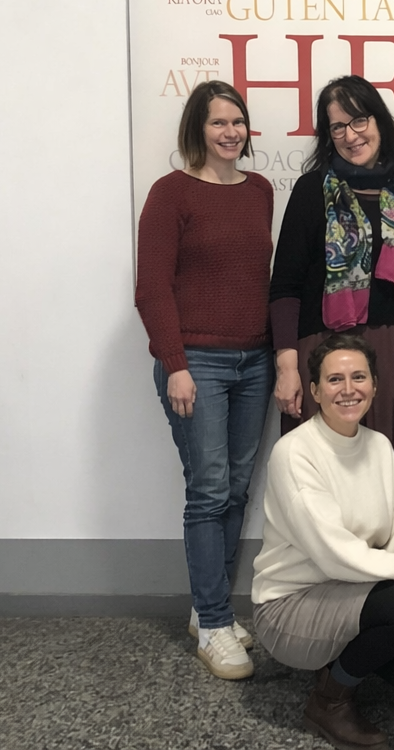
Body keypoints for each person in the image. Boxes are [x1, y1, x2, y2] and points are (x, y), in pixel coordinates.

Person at [252, 334, 394, 750]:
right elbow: (335, 556)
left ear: (374, 385)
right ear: (314, 390)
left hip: (359, 594)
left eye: (359, 377)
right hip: (291, 607)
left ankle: (341, 662)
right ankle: (329, 700)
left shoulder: (379, 447)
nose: (348, 389)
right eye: (334, 379)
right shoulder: (295, 453)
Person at [135, 80, 275, 681]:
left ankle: (206, 607)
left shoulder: (261, 191)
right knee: (208, 490)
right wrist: (176, 364)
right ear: (197, 129)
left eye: (238, 122)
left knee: (238, 490)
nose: (230, 133)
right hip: (197, 363)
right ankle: (216, 624)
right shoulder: (171, 193)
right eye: (218, 123)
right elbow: (151, 289)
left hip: (255, 362)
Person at [269, 75, 394, 552]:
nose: (350, 134)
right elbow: (284, 285)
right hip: (323, 354)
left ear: (380, 123)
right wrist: (286, 365)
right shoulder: (309, 192)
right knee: (324, 485)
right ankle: (324, 598)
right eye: (336, 127)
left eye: (358, 120)